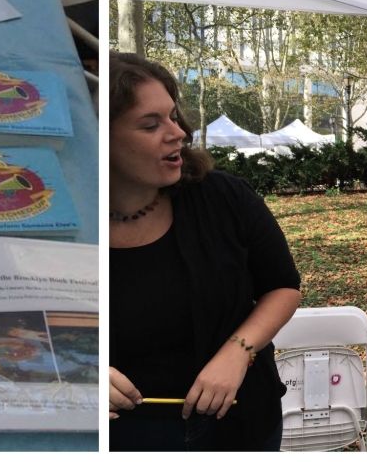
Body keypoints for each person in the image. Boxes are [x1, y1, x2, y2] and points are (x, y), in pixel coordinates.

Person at [109, 53, 302, 451]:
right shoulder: (59, 223)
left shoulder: (224, 197)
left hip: (241, 424)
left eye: (173, 116)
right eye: (151, 124)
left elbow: (283, 286)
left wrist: (239, 351)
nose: (177, 132)